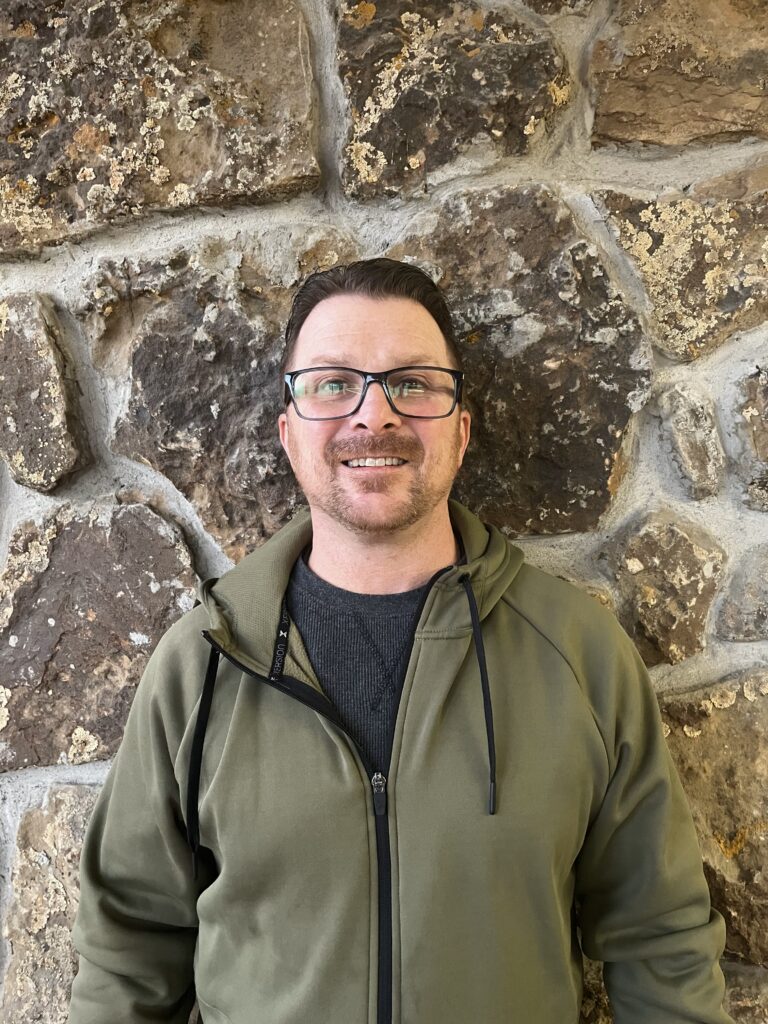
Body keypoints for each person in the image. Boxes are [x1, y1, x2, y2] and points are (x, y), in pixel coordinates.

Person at [69, 257, 735, 1023]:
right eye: (333, 384)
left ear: (461, 431)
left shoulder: (580, 655)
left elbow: (660, 943)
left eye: (412, 383)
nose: (374, 415)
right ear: (289, 433)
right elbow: (127, 957)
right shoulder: (202, 667)